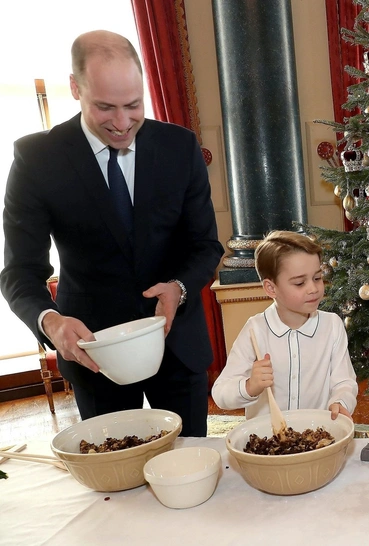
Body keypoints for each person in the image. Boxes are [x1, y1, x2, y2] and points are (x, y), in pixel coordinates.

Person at [0, 30, 224, 436]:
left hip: (177, 348)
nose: (122, 124)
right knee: (116, 485)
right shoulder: (37, 160)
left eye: (134, 106)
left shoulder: (180, 148)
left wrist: (179, 288)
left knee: (192, 476)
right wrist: (51, 322)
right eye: (105, 108)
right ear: (74, 87)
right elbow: (18, 272)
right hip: (93, 355)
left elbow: (205, 246)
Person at [212, 230, 358, 420]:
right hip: (268, 442)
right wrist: (250, 386)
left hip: (316, 436)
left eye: (317, 278)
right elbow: (220, 393)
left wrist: (340, 401)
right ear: (271, 288)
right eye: (299, 283)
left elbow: (344, 382)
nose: (313, 289)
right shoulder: (255, 330)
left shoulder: (332, 325)